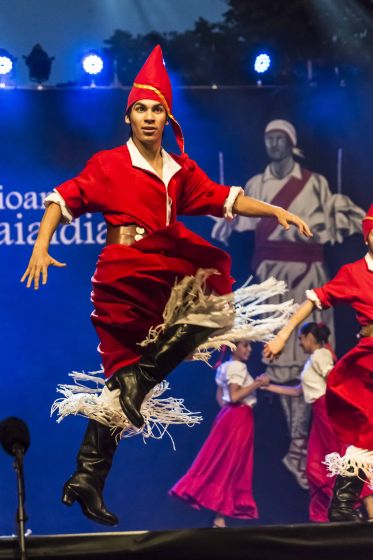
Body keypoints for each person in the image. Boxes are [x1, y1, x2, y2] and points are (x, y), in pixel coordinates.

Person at [21, 46, 311, 526]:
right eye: (141, 108)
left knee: (153, 362)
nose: (150, 117)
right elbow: (63, 199)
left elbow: (227, 200)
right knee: (150, 360)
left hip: (165, 278)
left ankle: (88, 475)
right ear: (128, 116)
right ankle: (128, 396)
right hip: (124, 274)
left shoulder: (180, 171)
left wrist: (275, 210)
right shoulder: (110, 163)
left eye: (158, 109)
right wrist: (40, 244)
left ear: (167, 116)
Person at [212, 120, 365, 490]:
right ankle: (297, 447)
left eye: (281, 137)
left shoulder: (315, 183)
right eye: (268, 137)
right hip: (272, 279)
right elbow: (237, 218)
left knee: (309, 361)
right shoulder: (258, 185)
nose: (274, 142)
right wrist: (225, 222)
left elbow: (338, 215)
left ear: (292, 143)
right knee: (280, 364)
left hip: (309, 273)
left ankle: (301, 447)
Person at [263, 204, 373, 522]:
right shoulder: (354, 273)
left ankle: (342, 502)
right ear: (367, 237)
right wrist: (284, 335)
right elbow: (313, 301)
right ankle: (342, 502)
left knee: (368, 437)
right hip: (368, 361)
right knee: (367, 433)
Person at [170, 341, 269, 527]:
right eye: (245, 346)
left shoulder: (225, 367)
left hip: (228, 416)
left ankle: (219, 516)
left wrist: (228, 415)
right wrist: (257, 383)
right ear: (234, 347)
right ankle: (219, 517)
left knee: (225, 462)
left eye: (249, 346)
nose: (249, 350)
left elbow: (220, 397)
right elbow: (233, 396)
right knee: (232, 463)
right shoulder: (237, 367)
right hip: (238, 416)